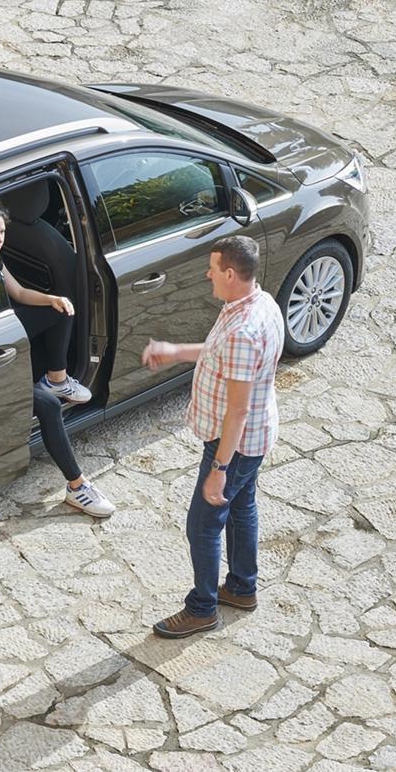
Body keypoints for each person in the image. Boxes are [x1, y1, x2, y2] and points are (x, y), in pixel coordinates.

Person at [143, 235, 284, 638]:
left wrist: (219, 467)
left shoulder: (243, 331)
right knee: (242, 508)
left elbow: (237, 409)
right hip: (254, 435)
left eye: (212, 268)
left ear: (230, 273)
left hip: (234, 442)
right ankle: (241, 587)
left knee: (202, 525)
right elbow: (219, 352)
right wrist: (174, 351)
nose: (207, 274)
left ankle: (202, 607)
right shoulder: (258, 303)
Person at [0, 203, 91, 403]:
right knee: (59, 315)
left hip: (6, 317)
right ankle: (56, 382)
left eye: (2, 231)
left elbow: (19, 292)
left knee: (61, 308)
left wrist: (52, 299)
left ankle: (54, 381)